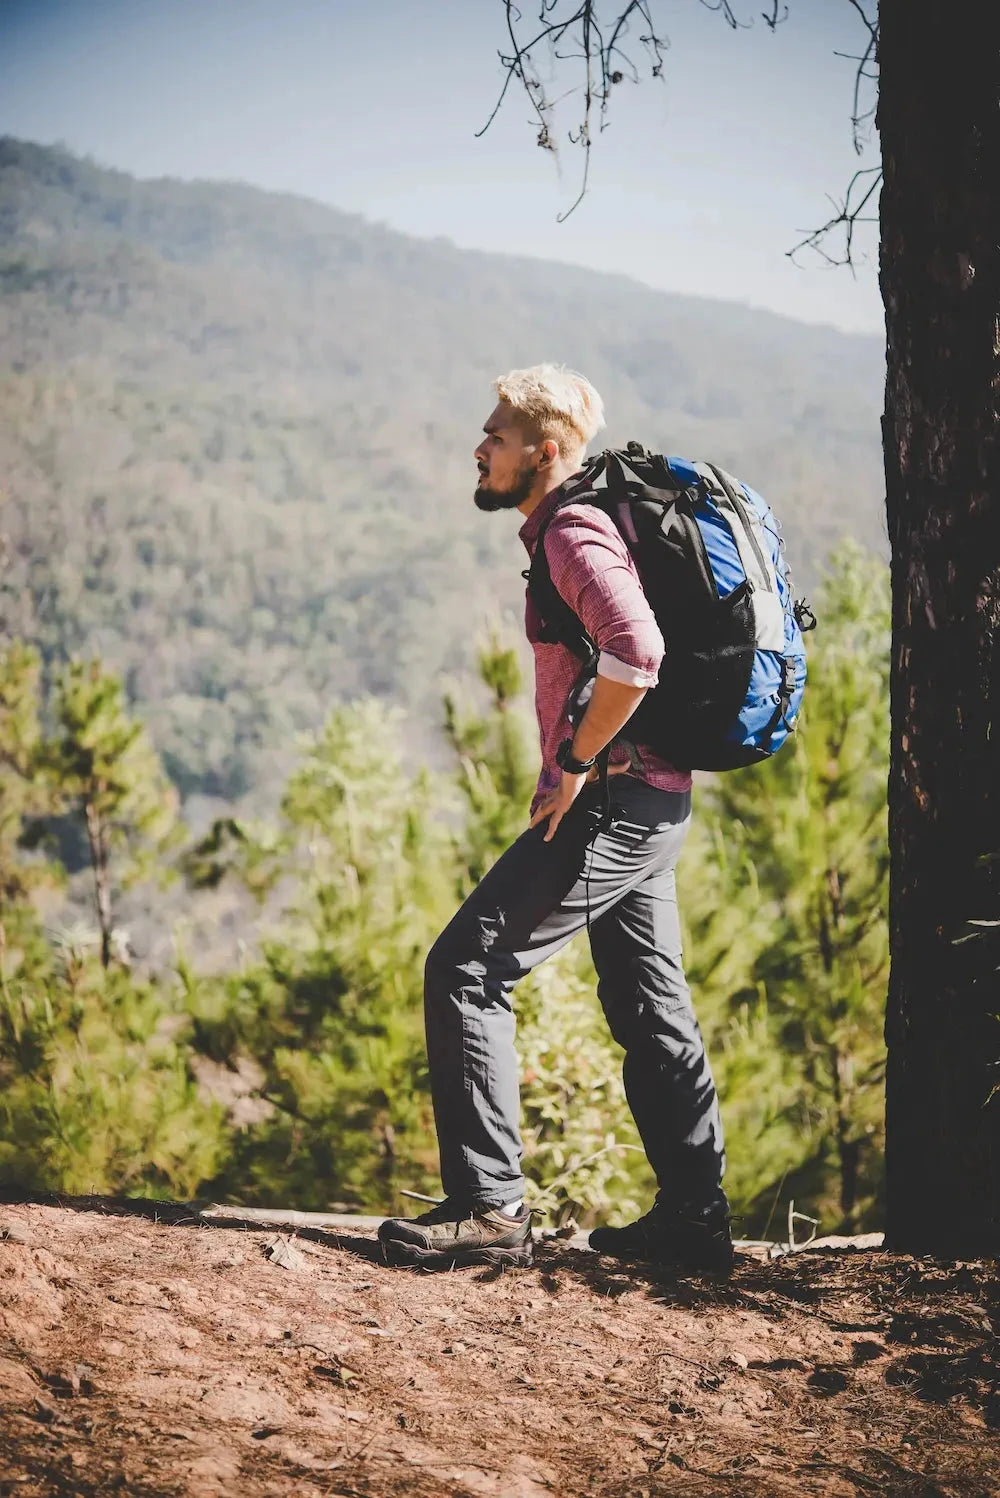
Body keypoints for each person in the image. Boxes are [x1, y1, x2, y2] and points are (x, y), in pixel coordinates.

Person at [378, 365, 731, 1274]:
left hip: (616, 799)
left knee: (465, 966)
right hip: (654, 801)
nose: (479, 448)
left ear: (543, 451)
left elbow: (636, 651)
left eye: (494, 436)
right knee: (651, 1007)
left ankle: (490, 1208)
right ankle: (696, 1221)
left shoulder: (574, 528)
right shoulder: (578, 526)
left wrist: (572, 761)